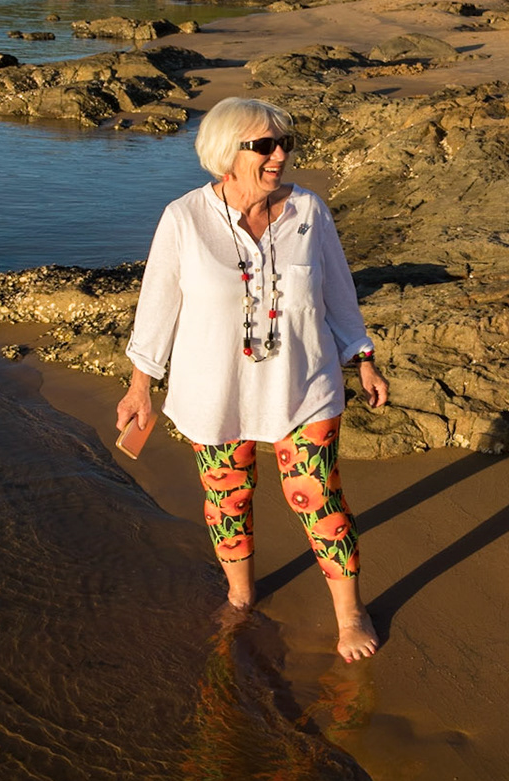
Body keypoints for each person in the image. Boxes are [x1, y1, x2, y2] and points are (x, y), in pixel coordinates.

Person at [117, 97, 390, 658]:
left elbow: (337, 291)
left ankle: (349, 613)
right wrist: (140, 385)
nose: (280, 155)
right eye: (264, 145)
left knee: (318, 498)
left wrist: (362, 355)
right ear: (226, 155)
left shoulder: (309, 211)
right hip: (214, 392)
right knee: (227, 500)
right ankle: (241, 595)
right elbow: (158, 307)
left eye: (285, 142)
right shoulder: (184, 218)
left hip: (304, 384)